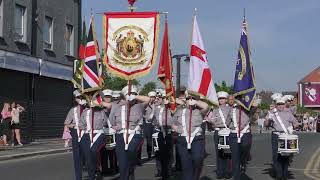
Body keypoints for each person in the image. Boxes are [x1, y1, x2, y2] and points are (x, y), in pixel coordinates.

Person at [108, 85, 150, 180]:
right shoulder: (117, 107)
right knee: (122, 163)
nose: (131, 96)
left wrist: (135, 96)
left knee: (130, 158)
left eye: (134, 94)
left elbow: (148, 99)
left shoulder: (139, 106)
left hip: (134, 136)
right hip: (120, 136)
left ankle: (130, 170)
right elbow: (112, 121)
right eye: (129, 94)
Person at [171, 91, 209, 180]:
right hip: (182, 139)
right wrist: (178, 130)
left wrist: (196, 102)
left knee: (197, 158)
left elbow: (206, 106)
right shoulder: (179, 110)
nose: (190, 100)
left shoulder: (200, 111)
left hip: (196, 139)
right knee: (186, 164)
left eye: (193, 99)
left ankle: (195, 177)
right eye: (188, 99)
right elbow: (172, 123)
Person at [265, 96, 299, 180]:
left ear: (284, 104)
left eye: (282, 104)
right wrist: (267, 118)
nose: (280, 106)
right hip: (276, 135)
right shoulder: (272, 112)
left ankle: (284, 173)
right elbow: (266, 124)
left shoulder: (288, 112)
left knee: (286, 156)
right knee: (276, 156)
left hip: (286, 136)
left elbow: (295, 122)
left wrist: (295, 125)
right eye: (279, 104)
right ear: (276, 105)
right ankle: (279, 175)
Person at [79, 95, 108, 180]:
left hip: (98, 134)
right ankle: (92, 175)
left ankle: (97, 168)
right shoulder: (85, 112)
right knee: (88, 157)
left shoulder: (101, 111)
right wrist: (86, 129)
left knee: (94, 151)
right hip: (87, 135)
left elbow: (105, 123)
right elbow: (81, 124)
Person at [227, 97, 256, 180]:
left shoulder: (247, 108)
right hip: (234, 134)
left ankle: (244, 158)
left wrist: (251, 102)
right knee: (235, 157)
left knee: (245, 146)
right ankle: (236, 177)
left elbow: (254, 108)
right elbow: (227, 122)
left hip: (245, 133)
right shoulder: (231, 109)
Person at [207, 91, 232, 179]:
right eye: (220, 99)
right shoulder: (214, 109)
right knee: (219, 153)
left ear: (226, 99)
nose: (221, 100)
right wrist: (210, 121)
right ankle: (220, 172)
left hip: (227, 131)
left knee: (228, 153)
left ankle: (228, 171)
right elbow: (211, 120)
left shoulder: (230, 108)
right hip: (218, 131)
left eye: (223, 98)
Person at [64, 90, 87, 180]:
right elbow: (66, 123)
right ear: (76, 99)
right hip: (76, 134)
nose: (80, 99)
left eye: (82, 97)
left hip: (86, 134)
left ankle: (94, 172)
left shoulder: (89, 109)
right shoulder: (72, 110)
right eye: (78, 98)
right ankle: (78, 177)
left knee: (88, 156)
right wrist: (66, 139)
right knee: (77, 158)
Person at [152, 90, 174, 179]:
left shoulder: (171, 108)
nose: (159, 99)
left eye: (161, 97)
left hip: (168, 132)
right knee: (158, 151)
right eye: (159, 97)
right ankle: (160, 170)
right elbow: (151, 119)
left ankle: (169, 170)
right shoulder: (156, 107)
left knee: (169, 152)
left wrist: (169, 104)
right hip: (158, 131)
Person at [100, 89, 118, 175]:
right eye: (105, 97)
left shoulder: (114, 105)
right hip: (102, 131)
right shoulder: (99, 106)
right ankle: (104, 169)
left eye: (109, 97)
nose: (107, 98)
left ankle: (113, 168)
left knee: (112, 151)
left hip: (112, 130)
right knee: (102, 151)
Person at [143, 91, 157, 161]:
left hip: (154, 124)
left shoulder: (156, 105)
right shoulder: (145, 105)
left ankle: (155, 153)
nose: (152, 99)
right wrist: (146, 117)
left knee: (155, 138)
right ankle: (149, 154)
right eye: (151, 97)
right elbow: (141, 113)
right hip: (147, 123)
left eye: (153, 97)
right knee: (149, 140)